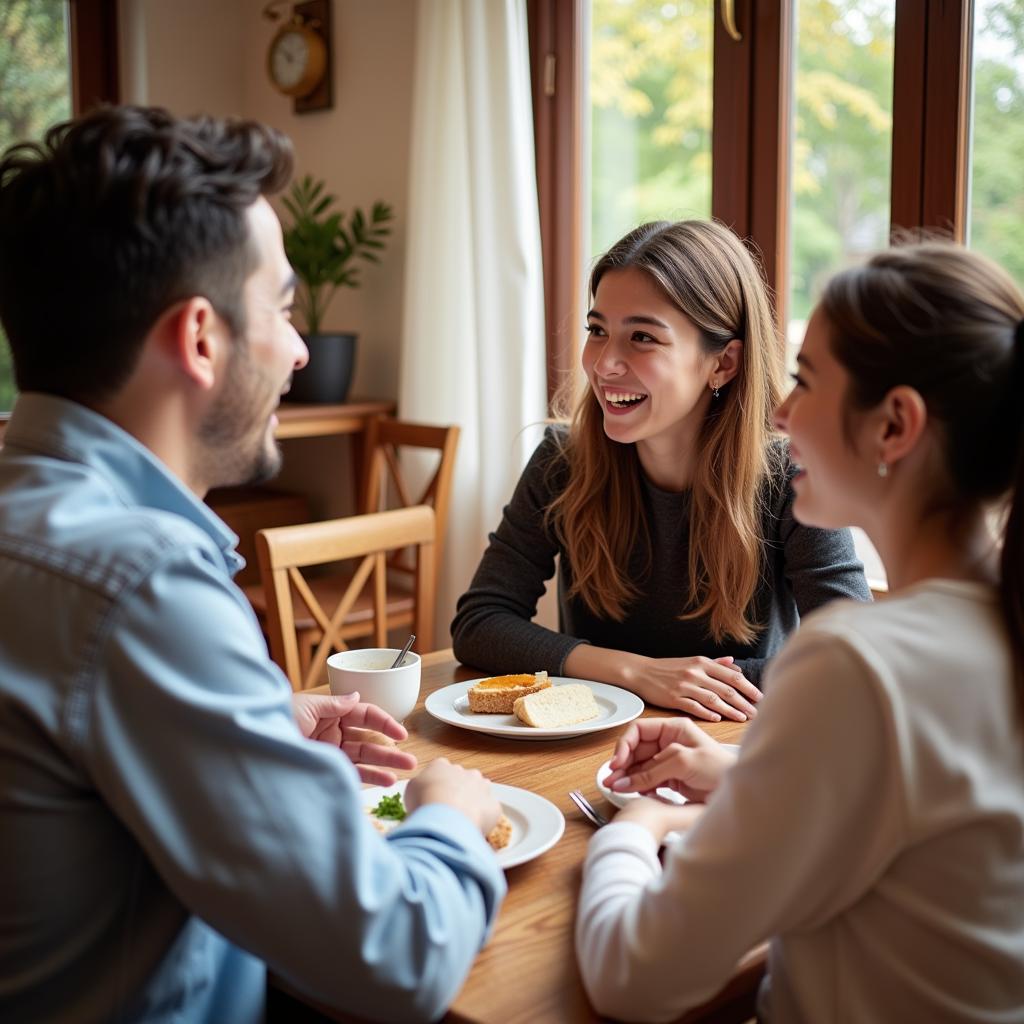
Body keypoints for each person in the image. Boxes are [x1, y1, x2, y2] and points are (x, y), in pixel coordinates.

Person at [0, 106, 506, 1024]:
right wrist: (448, 812)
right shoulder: (138, 583)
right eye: (281, 307)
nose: (301, 349)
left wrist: (268, 714)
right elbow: (396, 956)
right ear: (200, 338)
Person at [575, 242, 1024, 1022]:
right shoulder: (995, 621)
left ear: (894, 426)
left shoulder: (856, 662)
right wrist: (743, 784)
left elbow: (631, 978)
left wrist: (638, 828)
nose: (780, 412)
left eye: (808, 380)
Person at [451, 220, 869, 721]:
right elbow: (479, 622)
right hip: (586, 742)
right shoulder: (563, 459)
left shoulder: (794, 477)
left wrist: (680, 682)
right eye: (597, 330)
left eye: (643, 337)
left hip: (731, 749)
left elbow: (851, 661)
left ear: (723, 364)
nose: (604, 363)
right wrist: (636, 672)